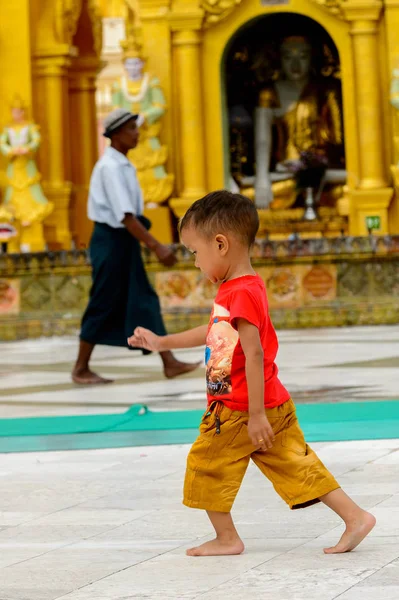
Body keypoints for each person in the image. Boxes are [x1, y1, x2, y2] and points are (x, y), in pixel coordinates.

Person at [128, 190, 376, 557]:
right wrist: (163, 343)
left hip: (239, 410)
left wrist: (255, 415)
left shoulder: (238, 293)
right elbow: (213, 330)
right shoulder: (241, 288)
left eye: (195, 253)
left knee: (206, 463)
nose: (195, 263)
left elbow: (254, 352)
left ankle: (227, 538)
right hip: (270, 401)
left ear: (221, 244)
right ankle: (355, 517)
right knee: (296, 463)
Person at [72, 108, 200, 385]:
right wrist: (157, 247)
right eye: (131, 128)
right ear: (116, 134)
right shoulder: (111, 167)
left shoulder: (123, 164)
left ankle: (169, 361)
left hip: (123, 242)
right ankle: (80, 368)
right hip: (111, 241)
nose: (136, 133)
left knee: (143, 300)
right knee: (103, 301)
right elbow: (125, 216)